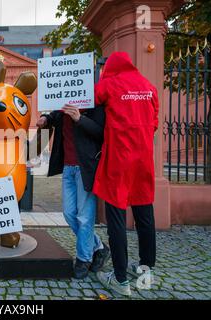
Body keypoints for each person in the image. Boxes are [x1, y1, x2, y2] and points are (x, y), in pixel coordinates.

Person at [93, 52, 159, 296]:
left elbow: (91, 98)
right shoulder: (148, 87)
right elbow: (154, 122)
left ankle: (120, 280)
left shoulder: (109, 84)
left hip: (119, 159)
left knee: (117, 218)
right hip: (143, 159)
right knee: (145, 214)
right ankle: (145, 269)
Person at [37, 103, 110, 279]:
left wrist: (80, 119)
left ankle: (83, 259)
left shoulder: (95, 106)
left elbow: (102, 133)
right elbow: (55, 114)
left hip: (86, 168)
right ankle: (98, 246)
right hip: (68, 168)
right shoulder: (63, 108)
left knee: (84, 217)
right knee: (69, 213)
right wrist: (46, 118)